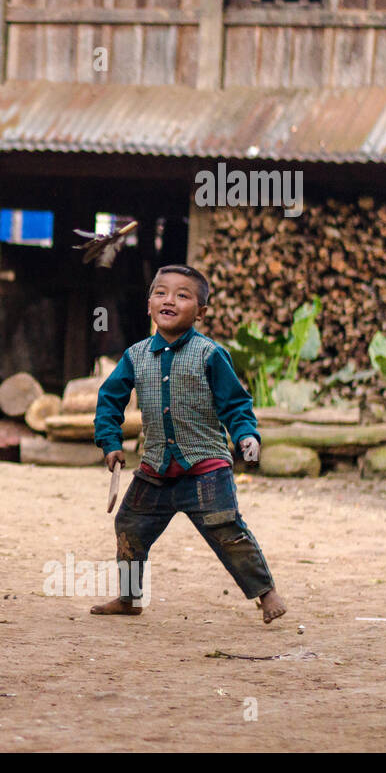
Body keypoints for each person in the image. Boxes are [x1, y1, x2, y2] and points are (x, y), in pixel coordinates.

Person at [91, 264, 288, 624]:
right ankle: (130, 597)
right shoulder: (135, 356)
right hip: (155, 469)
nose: (170, 300)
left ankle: (266, 593)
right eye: (161, 293)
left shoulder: (210, 354)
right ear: (149, 303)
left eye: (183, 295)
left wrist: (246, 435)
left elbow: (236, 404)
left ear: (201, 312)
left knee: (227, 530)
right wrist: (110, 442)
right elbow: (109, 399)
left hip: (205, 469)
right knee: (129, 526)